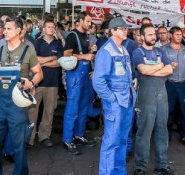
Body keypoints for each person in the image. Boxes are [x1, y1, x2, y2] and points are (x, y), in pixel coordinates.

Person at [0, 17, 43, 175]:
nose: (4, 31)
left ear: (19, 30)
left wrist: (30, 83)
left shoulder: (28, 50)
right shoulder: (0, 49)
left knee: (18, 144)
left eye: (9, 28)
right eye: (4, 28)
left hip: (17, 105)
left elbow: (39, 73)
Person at [93, 18, 134, 175]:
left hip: (127, 100)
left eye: (126, 28)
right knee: (111, 142)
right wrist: (111, 99)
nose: (126, 31)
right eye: (122, 28)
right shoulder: (106, 51)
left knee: (122, 140)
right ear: (113, 30)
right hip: (116, 102)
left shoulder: (123, 50)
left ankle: (118, 172)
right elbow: (98, 81)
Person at [132, 24, 174, 175]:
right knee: (144, 131)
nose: (153, 37)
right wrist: (160, 66)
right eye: (149, 34)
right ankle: (140, 167)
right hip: (146, 96)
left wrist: (153, 70)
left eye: (153, 34)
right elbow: (143, 70)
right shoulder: (137, 52)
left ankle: (162, 165)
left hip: (162, 96)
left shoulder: (160, 51)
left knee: (162, 130)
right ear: (142, 37)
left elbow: (169, 70)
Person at [62, 12, 98, 155]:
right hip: (75, 76)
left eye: (91, 22)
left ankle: (79, 134)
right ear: (80, 21)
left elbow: (82, 53)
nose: (90, 24)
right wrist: (85, 55)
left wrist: (91, 51)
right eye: (88, 21)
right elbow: (66, 55)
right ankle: (67, 139)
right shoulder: (72, 35)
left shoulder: (86, 36)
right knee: (72, 108)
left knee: (84, 106)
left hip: (85, 76)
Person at [28, 18, 63, 147]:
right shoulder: (37, 42)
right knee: (33, 111)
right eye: (49, 27)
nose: (51, 29)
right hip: (38, 82)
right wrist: (51, 58)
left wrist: (43, 62)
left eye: (53, 27)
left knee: (49, 111)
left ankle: (44, 136)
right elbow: (34, 60)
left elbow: (59, 62)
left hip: (53, 83)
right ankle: (30, 138)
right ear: (44, 28)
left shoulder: (58, 44)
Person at [162, 26, 185, 146]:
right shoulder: (163, 50)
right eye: (177, 34)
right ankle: (166, 135)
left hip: (184, 85)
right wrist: (168, 67)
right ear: (171, 36)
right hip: (169, 84)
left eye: (180, 35)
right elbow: (159, 67)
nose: (179, 37)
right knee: (168, 110)